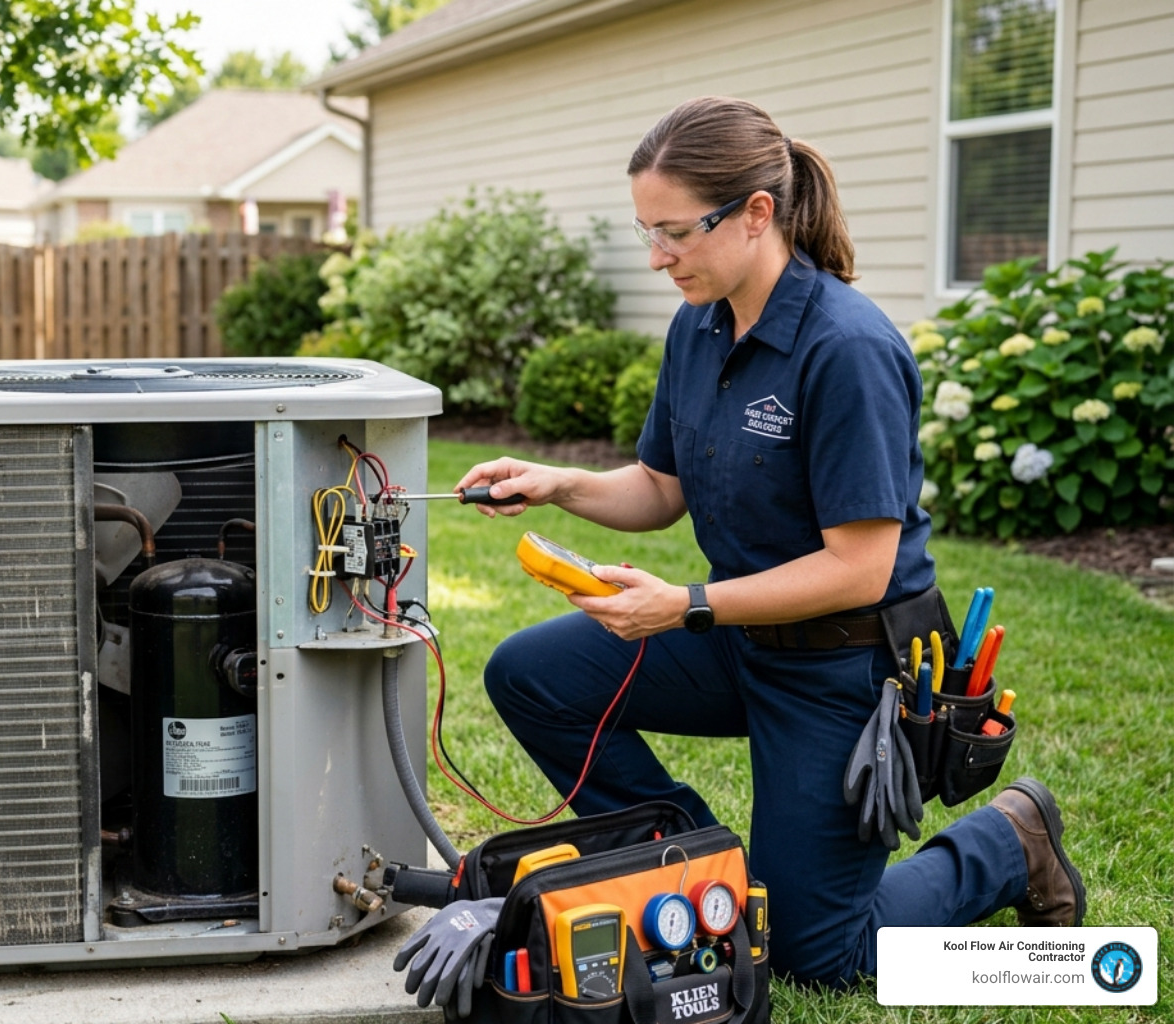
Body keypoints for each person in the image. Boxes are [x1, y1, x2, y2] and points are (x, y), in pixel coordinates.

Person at [454, 96, 1084, 986]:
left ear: (757, 212)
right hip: (738, 642)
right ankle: (692, 866)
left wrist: (686, 606)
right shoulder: (699, 324)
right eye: (647, 230)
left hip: (844, 672)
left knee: (819, 959)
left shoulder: (847, 347)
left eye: (675, 231)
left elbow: (860, 568)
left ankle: (1007, 844)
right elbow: (663, 490)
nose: (657, 255)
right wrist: (558, 485)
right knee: (530, 675)